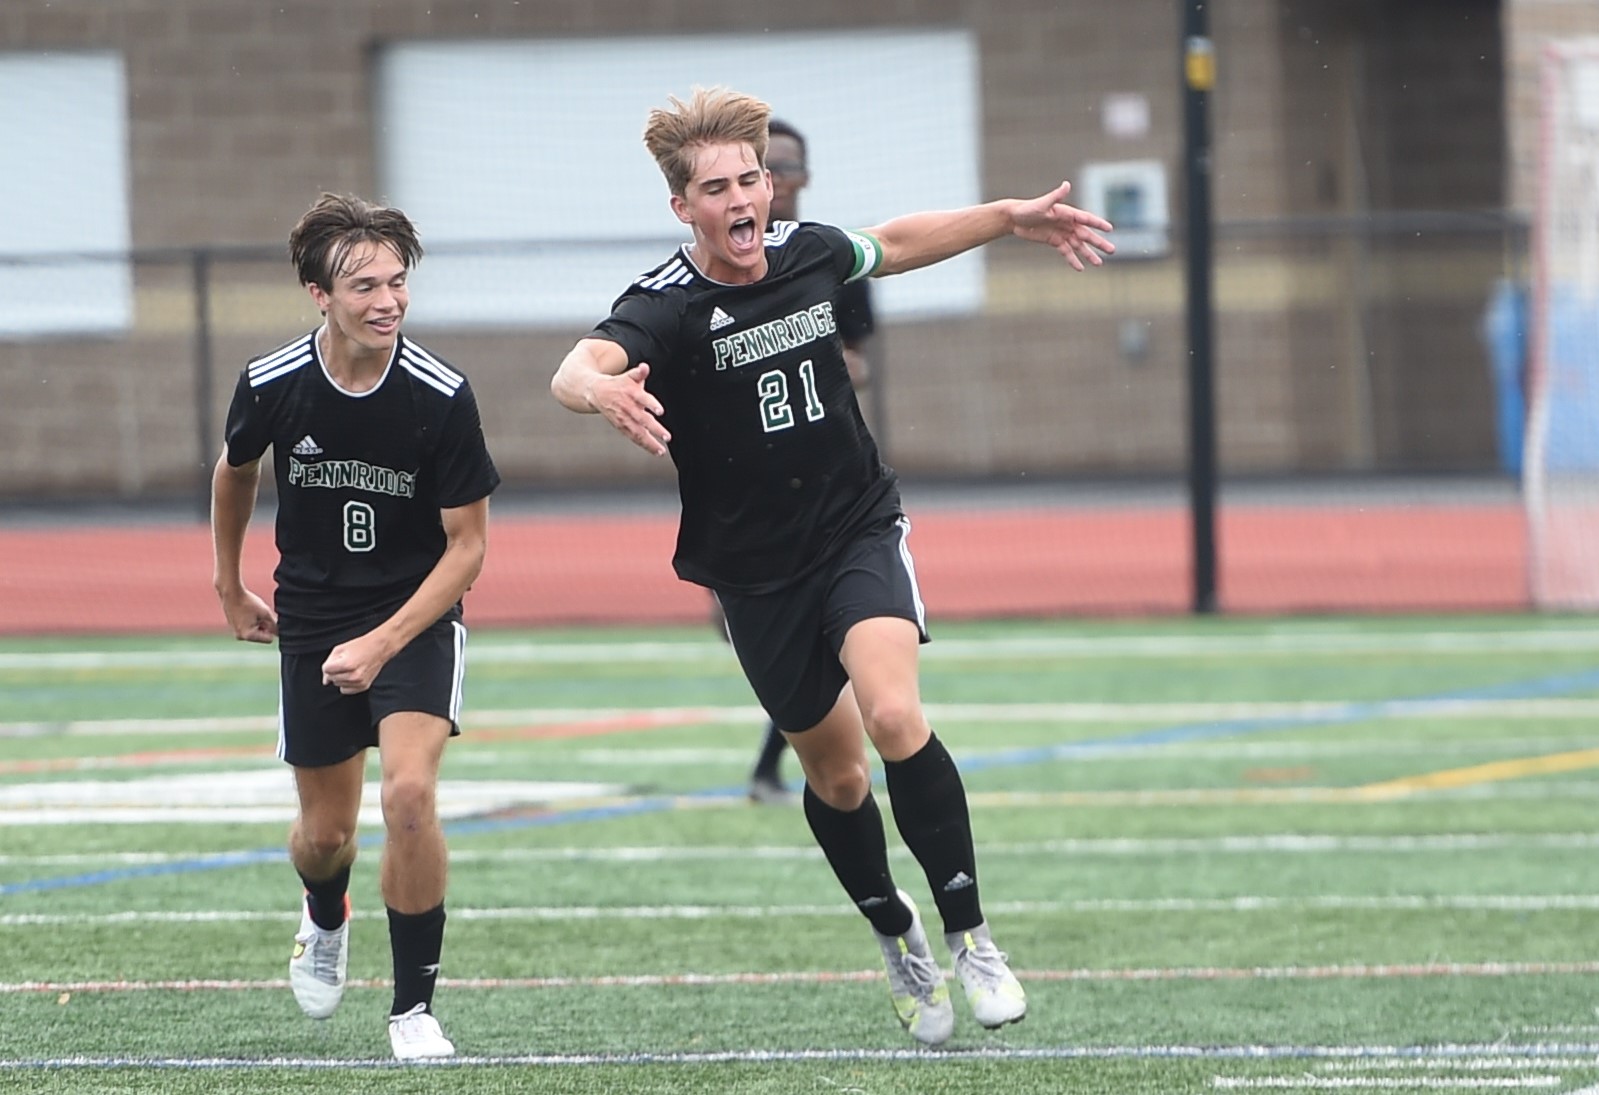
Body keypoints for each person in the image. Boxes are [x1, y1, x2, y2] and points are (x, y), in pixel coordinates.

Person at [550, 87, 1112, 1046]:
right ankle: (897, 936)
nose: (740, 200)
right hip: (755, 574)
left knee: (894, 714)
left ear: (768, 184)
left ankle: (972, 936)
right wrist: (598, 394)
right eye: (715, 188)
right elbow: (576, 367)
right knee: (839, 777)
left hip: (856, 526)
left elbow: (895, 241)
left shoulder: (810, 251)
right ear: (681, 207)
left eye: (749, 179)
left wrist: (1006, 218)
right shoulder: (668, 307)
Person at [211, 192, 500, 1061]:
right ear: (318, 294)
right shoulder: (271, 383)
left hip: (414, 615)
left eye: (397, 282)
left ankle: (412, 1010)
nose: (387, 300)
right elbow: (234, 473)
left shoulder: (440, 394)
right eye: (364, 284)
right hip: (312, 618)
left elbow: (468, 548)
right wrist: (227, 585)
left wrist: (383, 642)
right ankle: (324, 913)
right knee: (325, 835)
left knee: (409, 795)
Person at [737, 116, 877, 806]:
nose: (778, 181)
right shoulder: (705, 275)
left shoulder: (826, 254)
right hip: (752, 503)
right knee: (791, 648)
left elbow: (858, 355)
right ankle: (778, 769)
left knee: (839, 640)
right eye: (768, 168)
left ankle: (777, 771)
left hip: (827, 485)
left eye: (786, 168)